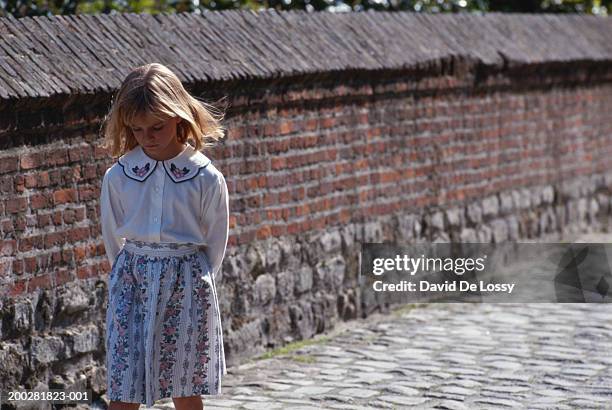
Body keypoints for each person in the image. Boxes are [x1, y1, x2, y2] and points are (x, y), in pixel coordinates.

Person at [99, 63, 229, 410]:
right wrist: (129, 270)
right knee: (124, 382)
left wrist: (193, 275)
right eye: (138, 129)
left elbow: (216, 240)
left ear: (178, 117)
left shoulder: (204, 176)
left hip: (185, 279)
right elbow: (111, 233)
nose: (148, 136)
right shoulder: (120, 175)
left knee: (183, 381)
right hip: (132, 279)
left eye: (157, 126)